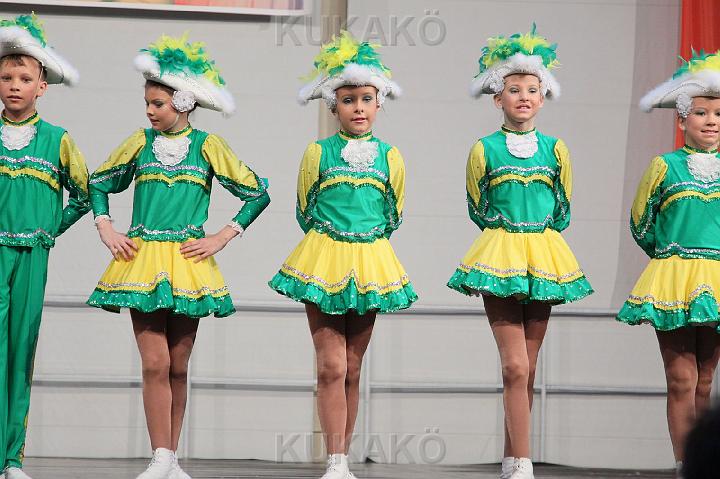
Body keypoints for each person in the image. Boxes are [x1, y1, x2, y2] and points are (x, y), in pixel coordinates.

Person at [87, 34, 270, 479]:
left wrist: (222, 236)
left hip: (189, 263)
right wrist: (106, 226)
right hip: (144, 260)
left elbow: (256, 193)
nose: (150, 111)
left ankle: (172, 459)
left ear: (184, 102)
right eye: (147, 103)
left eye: (158, 103)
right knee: (155, 362)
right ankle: (160, 456)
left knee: (179, 366)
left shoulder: (208, 145)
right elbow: (99, 182)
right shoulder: (140, 142)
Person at [446, 25, 593, 479]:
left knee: (527, 369)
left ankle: (513, 457)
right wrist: (507, 237)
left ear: (543, 98)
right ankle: (523, 464)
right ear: (498, 98)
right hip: (500, 255)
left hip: (543, 257)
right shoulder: (484, 149)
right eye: (514, 90)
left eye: (532, 90)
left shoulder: (556, 149)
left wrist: (538, 240)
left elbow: (563, 208)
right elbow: (478, 205)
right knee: (513, 365)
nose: (524, 97)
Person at [268, 31, 417, 479]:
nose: (358, 108)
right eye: (348, 100)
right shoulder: (317, 153)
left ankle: (343, 457)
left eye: (366, 99)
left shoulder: (391, 156)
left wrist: (364, 243)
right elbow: (305, 208)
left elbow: (393, 213)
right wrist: (331, 244)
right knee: (331, 365)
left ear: (378, 103)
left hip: (370, 261)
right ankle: (334, 461)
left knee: (353, 366)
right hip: (324, 259)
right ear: (333, 105)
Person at [617, 49, 720, 479]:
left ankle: (704, 466)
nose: (711, 121)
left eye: (718, 114)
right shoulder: (664, 166)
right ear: (681, 120)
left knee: (705, 381)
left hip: (716, 280)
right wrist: (670, 261)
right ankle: (683, 466)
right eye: (701, 113)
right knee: (680, 378)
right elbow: (641, 222)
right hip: (674, 278)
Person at [0, 13, 88, 479]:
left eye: (24, 79)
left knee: (21, 350)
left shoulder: (58, 140)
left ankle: (12, 456)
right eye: (6, 78)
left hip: (32, 254)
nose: (14, 86)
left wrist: (49, 228)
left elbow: (85, 195)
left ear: (42, 87)